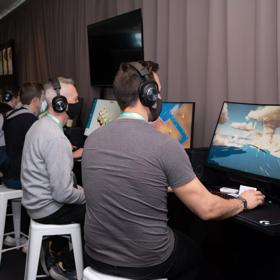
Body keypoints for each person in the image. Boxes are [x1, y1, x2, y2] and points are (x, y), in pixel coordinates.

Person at [81, 61, 265, 280]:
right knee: (198, 254)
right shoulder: (165, 145)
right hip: (148, 261)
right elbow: (207, 209)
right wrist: (243, 201)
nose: (160, 97)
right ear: (147, 94)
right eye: (157, 91)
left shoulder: (93, 140)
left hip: (95, 256)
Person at [21, 77, 86, 280]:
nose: (78, 104)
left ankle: (57, 250)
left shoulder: (39, 125)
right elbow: (63, 193)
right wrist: (87, 194)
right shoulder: (56, 138)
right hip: (47, 208)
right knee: (101, 210)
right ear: (61, 104)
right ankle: (65, 267)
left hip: (34, 203)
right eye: (74, 100)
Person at [2, 82, 45, 250]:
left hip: (8, 174)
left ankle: (19, 234)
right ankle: (33, 239)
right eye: (42, 99)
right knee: (45, 183)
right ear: (35, 100)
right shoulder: (31, 121)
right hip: (17, 178)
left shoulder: (11, 115)